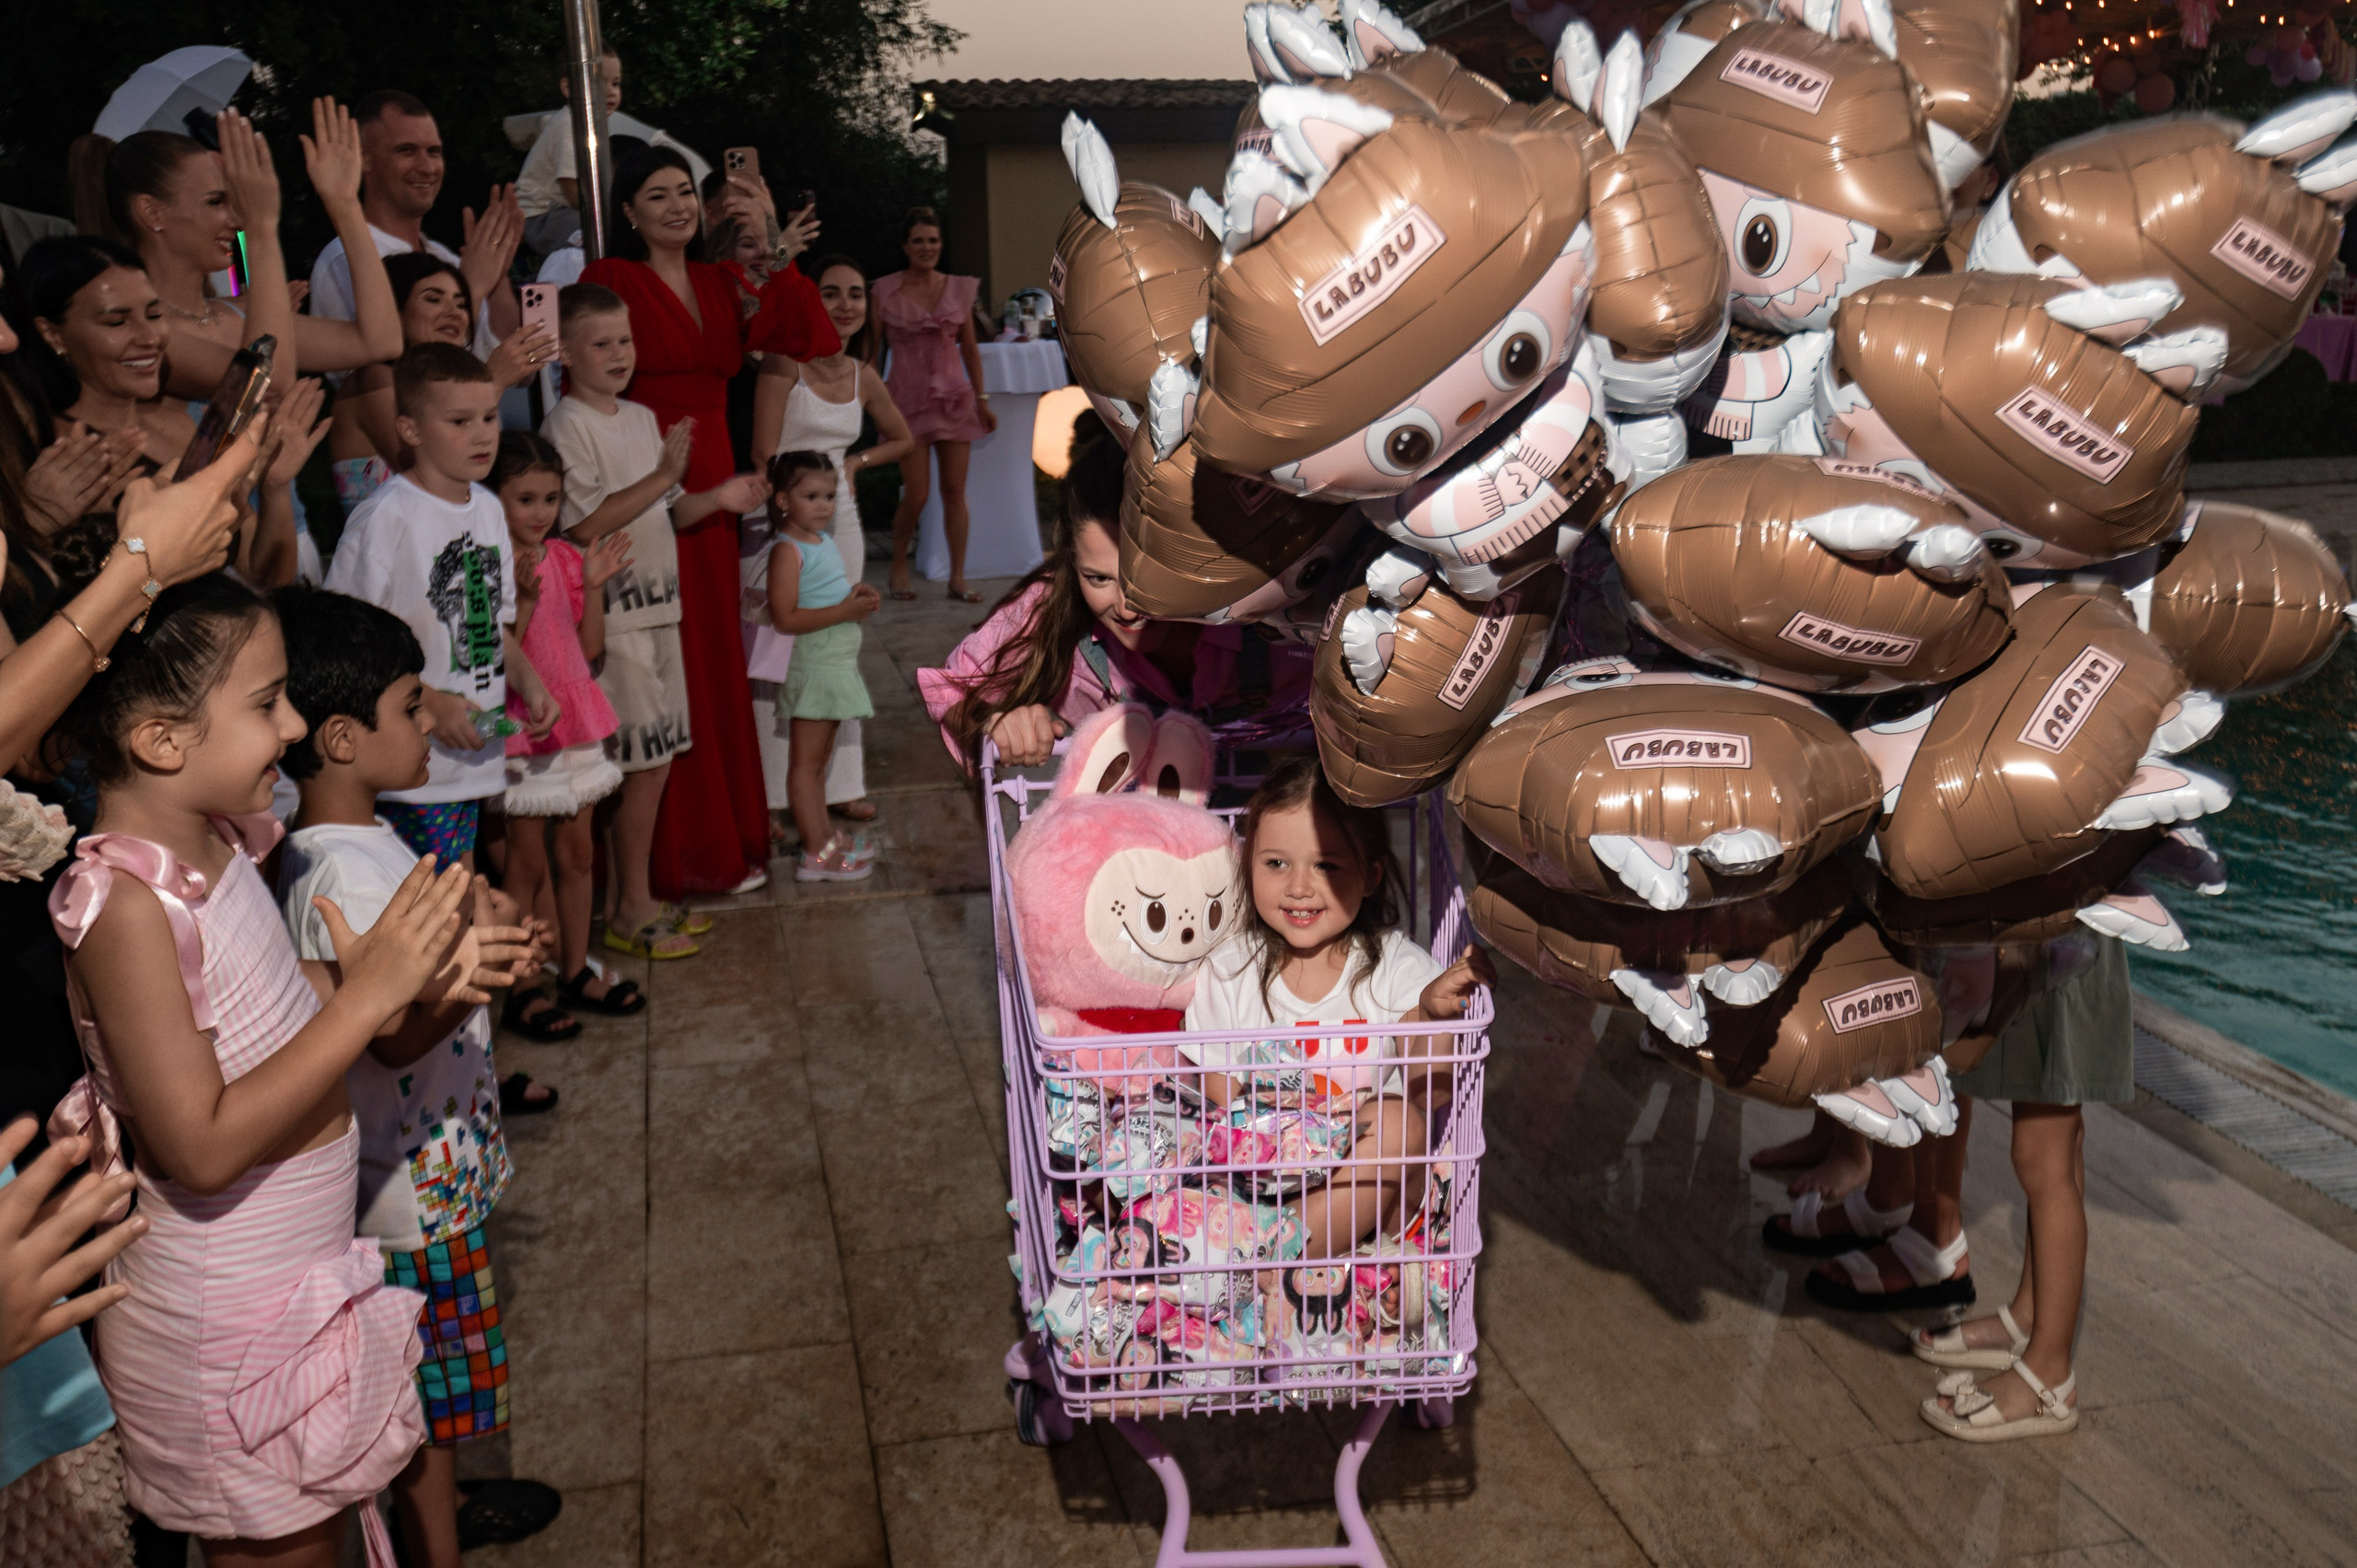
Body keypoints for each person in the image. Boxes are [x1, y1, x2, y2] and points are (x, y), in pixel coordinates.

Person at [41, 562, 488, 1566]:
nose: (292, 727)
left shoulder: (217, 842)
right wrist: (370, 996)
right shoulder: (121, 908)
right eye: (265, 702)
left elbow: (274, 1007)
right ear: (160, 739)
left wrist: (393, 974)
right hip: (224, 1330)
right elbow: (197, 1144)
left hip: (285, 1283)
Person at [271, 585, 563, 1562]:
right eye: (411, 704)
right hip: (405, 1196)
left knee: (431, 1391)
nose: (432, 715)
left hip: (430, 1173)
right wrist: (474, 971)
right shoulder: (332, 870)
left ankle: (435, 1524)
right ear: (344, 737)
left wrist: (485, 945)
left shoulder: (365, 837)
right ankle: (435, 1545)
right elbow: (387, 1033)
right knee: (421, 1396)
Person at [579, 144, 838, 899]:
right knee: (656, 662)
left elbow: (808, 335)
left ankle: (726, 839)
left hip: (715, 477)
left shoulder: (719, 281)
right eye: (656, 196)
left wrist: (770, 237)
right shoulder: (610, 279)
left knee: (714, 653)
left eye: (685, 193)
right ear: (628, 213)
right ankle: (667, 861)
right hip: (639, 466)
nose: (676, 206)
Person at [1180, 754, 1492, 1257]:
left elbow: (1431, 1093)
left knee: (1400, 1122)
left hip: (1373, 1198)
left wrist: (1433, 1014)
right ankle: (1282, 1263)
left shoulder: (1395, 968)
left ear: (1370, 876)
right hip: (1260, 1186)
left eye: (1325, 865)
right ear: (1249, 863)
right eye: (1276, 863)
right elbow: (1219, 1108)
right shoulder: (1230, 969)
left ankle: (1269, 1267)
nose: (1299, 887)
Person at [540, 281, 765, 955]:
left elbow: (665, 511)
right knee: (639, 765)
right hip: (615, 621)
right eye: (601, 343)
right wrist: (664, 473)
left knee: (657, 761)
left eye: (625, 341)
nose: (618, 354)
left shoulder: (639, 417)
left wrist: (717, 496)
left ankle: (630, 899)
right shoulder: (566, 425)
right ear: (566, 356)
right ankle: (630, 908)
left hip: (661, 608)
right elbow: (582, 524)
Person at [917, 419, 1314, 772]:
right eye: (1098, 578)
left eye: (1145, 581)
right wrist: (997, 720)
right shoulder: (1052, 601)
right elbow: (950, 687)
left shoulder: (1273, 606)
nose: (1125, 608)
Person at [324, 343, 557, 870]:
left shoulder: (491, 510)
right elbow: (346, 642)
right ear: (410, 430)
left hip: (469, 764)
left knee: (459, 896)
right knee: (429, 911)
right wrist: (431, 701)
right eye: (459, 420)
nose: (481, 434)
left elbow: (494, 627)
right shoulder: (386, 517)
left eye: (490, 417)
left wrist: (530, 685)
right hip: (409, 769)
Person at [67, 100, 401, 398]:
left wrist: (344, 204)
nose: (236, 219)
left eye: (234, 202)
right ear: (152, 213)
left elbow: (380, 341)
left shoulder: (238, 316)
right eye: (216, 202)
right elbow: (265, 383)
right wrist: (260, 228)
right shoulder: (149, 334)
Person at [748, 254, 910, 831]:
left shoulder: (864, 373)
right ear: (809, 302)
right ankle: (770, 791)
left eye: (856, 294)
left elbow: (903, 437)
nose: (845, 305)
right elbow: (762, 457)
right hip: (786, 522)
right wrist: (791, 525)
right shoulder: (782, 362)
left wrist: (857, 462)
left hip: (840, 524)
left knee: (836, 650)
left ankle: (840, 784)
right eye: (831, 293)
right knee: (777, 652)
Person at [489, 433, 639, 1021]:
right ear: (492, 498)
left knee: (578, 854)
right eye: (524, 499)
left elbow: (590, 648)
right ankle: (524, 987)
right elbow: (505, 650)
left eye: (550, 499)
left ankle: (576, 969)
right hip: (525, 723)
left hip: (576, 718)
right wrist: (522, 597)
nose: (540, 513)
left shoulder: (566, 559)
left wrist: (595, 587)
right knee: (524, 863)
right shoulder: (490, 563)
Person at [327, 253, 552, 517]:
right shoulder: (375, 379)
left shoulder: (442, 383)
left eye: (461, 304)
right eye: (434, 299)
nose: (453, 313)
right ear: (394, 311)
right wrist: (494, 381)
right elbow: (432, 471)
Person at [308, 90, 522, 357]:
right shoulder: (343, 258)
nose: (427, 167)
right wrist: (472, 288)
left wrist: (497, 275)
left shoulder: (444, 258)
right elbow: (389, 371)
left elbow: (514, 366)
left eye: (433, 152)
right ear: (364, 160)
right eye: (406, 151)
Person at [761, 451, 881, 882]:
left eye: (829, 495)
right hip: (812, 667)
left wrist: (853, 592)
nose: (823, 505)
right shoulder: (786, 551)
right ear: (782, 500)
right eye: (810, 495)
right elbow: (786, 617)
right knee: (806, 765)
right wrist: (846, 611)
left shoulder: (822, 542)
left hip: (833, 664)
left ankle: (825, 835)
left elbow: (823, 595)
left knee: (821, 760)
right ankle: (816, 852)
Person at [875, 207, 995, 602]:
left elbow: (971, 351)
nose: (926, 247)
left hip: (953, 399)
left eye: (933, 240)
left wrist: (982, 399)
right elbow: (872, 354)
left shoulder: (959, 288)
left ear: (941, 244)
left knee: (954, 489)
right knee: (917, 493)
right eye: (918, 241)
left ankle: (957, 578)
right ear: (904, 246)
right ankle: (897, 568)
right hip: (905, 402)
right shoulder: (884, 291)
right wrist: (870, 401)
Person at [19, 235, 192, 475]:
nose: (150, 338)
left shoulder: (181, 426)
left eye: (153, 315)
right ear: (52, 334)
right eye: (117, 322)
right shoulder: (59, 459)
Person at [515, 45, 706, 260]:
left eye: (615, 83)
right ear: (569, 88)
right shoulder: (568, 127)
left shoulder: (592, 127)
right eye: (598, 83)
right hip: (543, 216)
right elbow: (569, 187)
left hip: (565, 212)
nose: (610, 91)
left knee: (626, 228)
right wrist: (609, 211)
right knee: (599, 239)